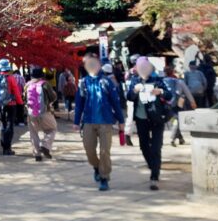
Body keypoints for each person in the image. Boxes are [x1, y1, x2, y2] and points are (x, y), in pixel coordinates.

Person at [73, 53, 125, 191]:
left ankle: (104, 177)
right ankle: (96, 166)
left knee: (104, 151)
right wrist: (76, 121)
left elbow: (115, 102)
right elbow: (79, 103)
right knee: (89, 150)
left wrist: (121, 120)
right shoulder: (83, 83)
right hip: (88, 121)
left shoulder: (107, 82)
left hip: (105, 121)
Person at [127, 57, 174, 190]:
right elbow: (129, 97)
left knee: (156, 147)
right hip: (141, 117)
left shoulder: (157, 80)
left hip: (157, 117)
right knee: (144, 145)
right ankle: (153, 164)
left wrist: (160, 92)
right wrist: (135, 91)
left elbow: (169, 95)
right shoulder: (135, 81)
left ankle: (154, 176)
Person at [0, 58, 23, 155]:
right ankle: (7, 148)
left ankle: (3, 145)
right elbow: (16, 92)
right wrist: (20, 103)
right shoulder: (11, 78)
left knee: (2, 124)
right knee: (9, 125)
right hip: (10, 104)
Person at [24, 67, 57, 161]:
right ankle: (45, 145)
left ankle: (37, 154)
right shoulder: (45, 84)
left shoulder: (27, 85)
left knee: (33, 133)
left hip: (31, 113)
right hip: (44, 112)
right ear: (42, 76)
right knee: (52, 129)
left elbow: (23, 98)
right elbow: (53, 97)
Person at [163, 65, 197, 146]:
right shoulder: (179, 81)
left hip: (165, 104)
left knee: (174, 120)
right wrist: (193, 102)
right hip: (177, 104)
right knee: (177, 121)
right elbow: (187, 92)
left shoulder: (161, 82)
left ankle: (181, 139)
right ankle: (172, 138)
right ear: (172, 72)